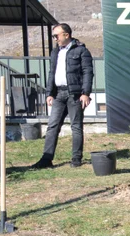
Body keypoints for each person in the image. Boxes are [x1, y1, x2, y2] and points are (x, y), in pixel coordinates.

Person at [31, 23, 93, 169]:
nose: (55, 39)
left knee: (76, 127)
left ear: (66, 35)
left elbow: (88, 72)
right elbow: (51, 73)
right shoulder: (55, 52)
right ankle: (46, 159)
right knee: (52, 126)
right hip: (58, 94)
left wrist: (85, 93)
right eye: (53, 36)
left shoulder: (81, 50)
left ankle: (76, 159)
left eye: (56, 36)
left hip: (75, 95)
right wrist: (49, 93)